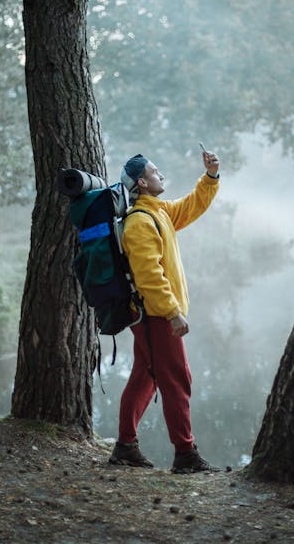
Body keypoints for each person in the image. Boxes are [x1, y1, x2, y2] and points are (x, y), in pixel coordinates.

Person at [109, 149, 220, 473]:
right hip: (155, 316)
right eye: (156, 172)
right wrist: (173, 312)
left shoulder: (159, 213)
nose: (162, 175)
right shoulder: (140, 222)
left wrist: (210, 177)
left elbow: (192, 205)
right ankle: (185, 455)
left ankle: (125, 447)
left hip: (152, 315)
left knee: (145, 378)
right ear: (142, 182)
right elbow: (149, 277)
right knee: (176, 379)